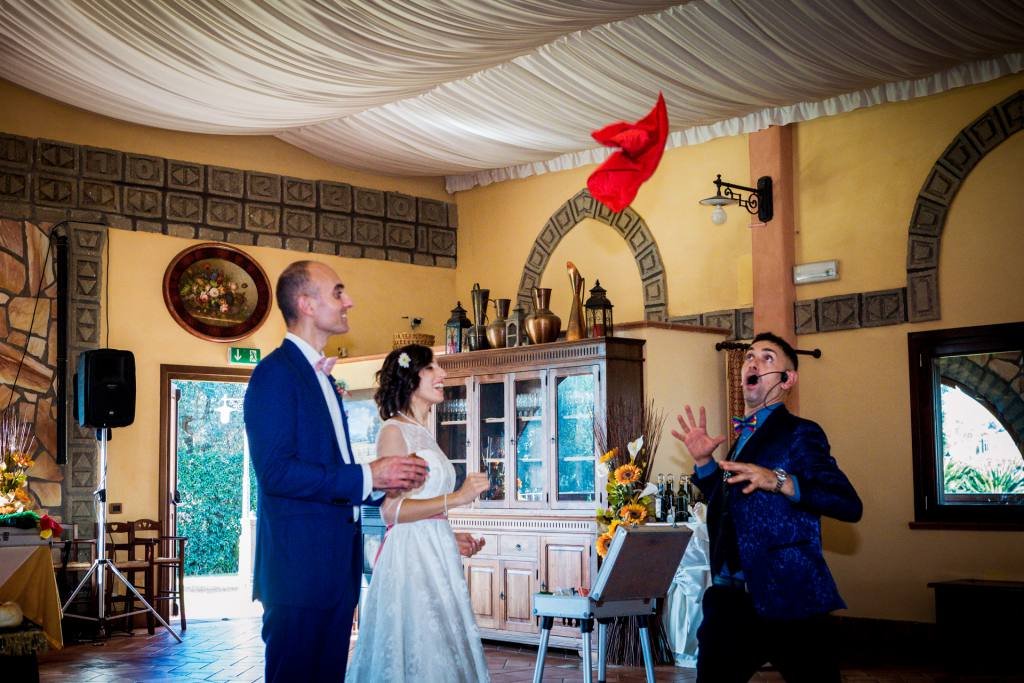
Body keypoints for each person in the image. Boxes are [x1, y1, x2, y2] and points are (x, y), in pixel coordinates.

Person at [244, 261, 429, 683]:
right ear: (306, 304)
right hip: (298, 571)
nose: (350, 302)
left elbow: (331, 467)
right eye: (338, 292)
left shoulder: (323, 378)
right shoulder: (275, 374)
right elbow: (276, 473)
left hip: (334, 571)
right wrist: (368, 476)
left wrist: (384, 484)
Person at [671, 332, 862, 683]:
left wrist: (778, 480)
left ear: (788, 380)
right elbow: (732, 505)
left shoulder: (801, 433)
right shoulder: (743, 438)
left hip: (790, 596)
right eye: (749, 356)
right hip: (730, 600)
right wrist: (704, 463)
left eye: (767, 357)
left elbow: (847, 503)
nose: (753, 362)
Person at [347, 344, 491, 683]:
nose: (442, 374)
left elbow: (421, 505)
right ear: (410, 377)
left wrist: (449, 536)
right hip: (410, 560)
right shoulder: (394, 431)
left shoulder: (424, 431)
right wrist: (458, 497)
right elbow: (391, 511)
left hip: (434, 550)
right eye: (431, 368)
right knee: (421, 644)